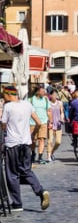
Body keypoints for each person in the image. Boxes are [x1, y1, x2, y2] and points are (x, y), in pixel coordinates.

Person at [1, 84, 51, 212]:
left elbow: (3, 125)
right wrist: (33, 135)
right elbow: (39, 122)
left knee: (12, 174)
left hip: (13, 144)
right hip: (26, 143)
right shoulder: (27, 105)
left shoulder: (8, 107)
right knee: (26, 171)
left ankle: (17, 203)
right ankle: (41, 191)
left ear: (8, 95)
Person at [28, 85, 51, 164]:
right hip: (32, 123)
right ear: (38, 92)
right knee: (33, 140)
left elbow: (49, 111)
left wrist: (50, 122)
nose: (44, 93)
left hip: (43, 122)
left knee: (42, 139)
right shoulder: (30, 100)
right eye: (42, 91)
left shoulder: (46, 99)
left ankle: (40, 157)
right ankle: (33, 154)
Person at [46, 88, 64, 163]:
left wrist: (62, 118)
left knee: (58, 142)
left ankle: (52, 152)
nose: (55, 96)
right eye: (53, 94)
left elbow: (62, 112)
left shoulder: (60, 103)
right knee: (50, 141)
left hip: (58, 124)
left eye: (56, 94)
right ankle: (48, 156)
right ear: (50, 95)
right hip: (51, 124)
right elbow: (47, 113)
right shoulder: (48, 103)